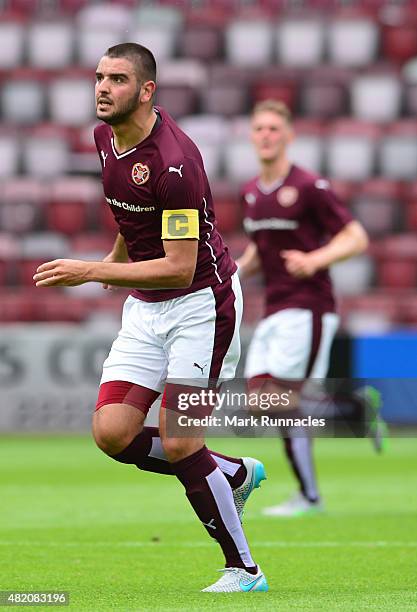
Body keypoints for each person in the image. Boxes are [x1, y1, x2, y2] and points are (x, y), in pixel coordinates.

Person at [33, 43, 268, 593]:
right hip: (146, 307)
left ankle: (245, 570)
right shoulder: (104, 139)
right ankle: (230, 472)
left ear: (147, 91)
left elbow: (180, 268)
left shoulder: (175, 162)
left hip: (200, 305)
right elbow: (130, 213)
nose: (101, 88)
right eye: (98, 77)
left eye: (116, 79)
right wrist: (115, 263)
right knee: (112, 433)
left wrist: (93, 272)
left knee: (181, 440)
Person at [237, 99, 384, 517]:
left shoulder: (308, 187)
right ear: (251, 136)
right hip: (274, 308)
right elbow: (259, 252)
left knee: (279, 398)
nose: (266, 135)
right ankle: (353, 411)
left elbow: (355, 237)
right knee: (260, 403)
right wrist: (231, 275)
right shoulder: (251, 193)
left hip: (308, 307)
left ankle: (310, 495)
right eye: (259, 128)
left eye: (273, 129)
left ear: (288, 136)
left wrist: (315, 260)